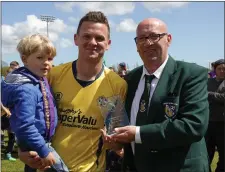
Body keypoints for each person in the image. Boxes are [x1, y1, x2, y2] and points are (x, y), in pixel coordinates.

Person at [18, 11, 127, 172]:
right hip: (46, 166)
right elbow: (26, 115)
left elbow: (116, 135)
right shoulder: (52, 76)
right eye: (87, 36)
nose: (93, 42)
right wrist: (22, 151)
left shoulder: (117, 84)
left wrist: (115, 142)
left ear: (108, 43)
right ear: (76, 39)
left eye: (100, 38)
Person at [109, 18, 210, 172]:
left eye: (154, 36)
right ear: (136, 45)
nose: (148, 43)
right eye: (142, 38)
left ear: (168, 39)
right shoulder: (130, 79)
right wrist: (116, 139)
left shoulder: (190, 74)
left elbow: (193, 126)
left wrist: (137, 133)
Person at [1, 34, 69, 172]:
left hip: (37, 141)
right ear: (24, 59)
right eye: (40, 57)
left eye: (50, 59)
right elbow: (25, 125)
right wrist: (44, 150)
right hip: (37, 142)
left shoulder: (38, 79)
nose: (46, 63)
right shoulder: (26, 88)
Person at [206, 59, 225, 172]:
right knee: (207, 152)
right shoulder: (208, 82)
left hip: (222, 124)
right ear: (215, 70)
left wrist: (208, 94)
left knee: (223, 153)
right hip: (208, 123)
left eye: (224, 69)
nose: (222, 71)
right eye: (219, 69)